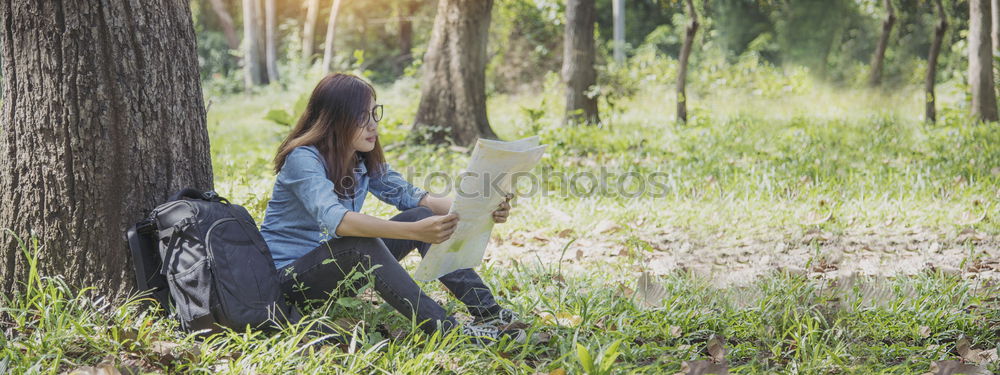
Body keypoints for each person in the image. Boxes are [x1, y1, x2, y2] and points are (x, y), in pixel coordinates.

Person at [260, 73, 524, 343]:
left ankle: (488, 312)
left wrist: (485, 207)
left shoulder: (359, 159)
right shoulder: (303, 159)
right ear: (334, 119)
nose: (373, 125)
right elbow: (337, 221)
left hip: (334, 271)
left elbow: (418, 198)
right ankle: (448, 331)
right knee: (360, 244)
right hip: (290, 281)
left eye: (374, 114)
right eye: (362, 117)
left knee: (422, 215)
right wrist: (413, 232)